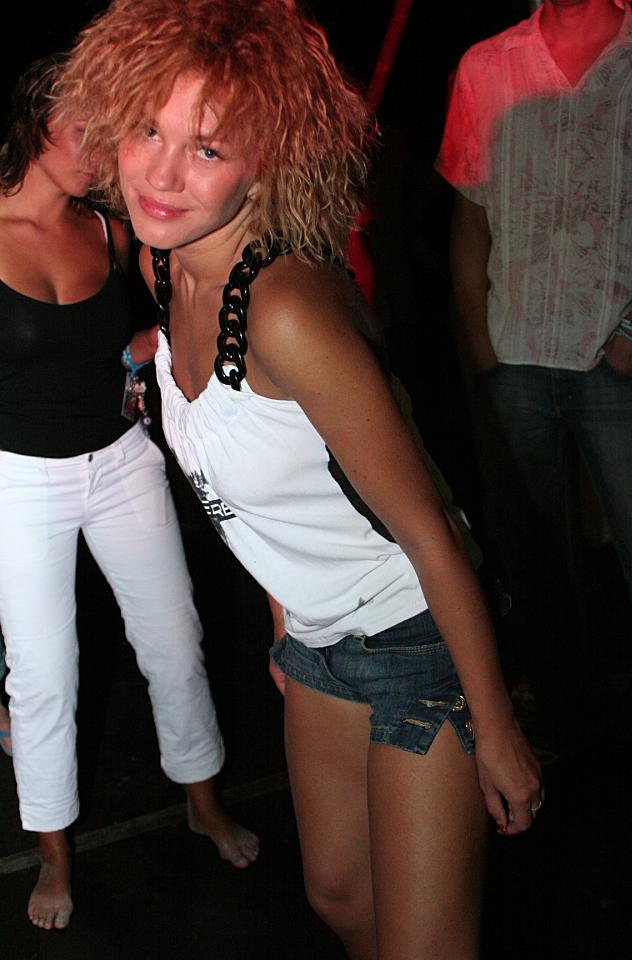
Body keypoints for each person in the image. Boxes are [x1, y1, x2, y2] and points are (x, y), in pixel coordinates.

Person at [62, 3, 542, 957]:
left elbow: (432, 533)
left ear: (268, 161)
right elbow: (258, 486)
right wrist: (286, 619)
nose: (161, 173)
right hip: (316, 640)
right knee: (339, 901)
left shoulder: (285, 312)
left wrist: (498, 731)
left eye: (207, 149)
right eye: (149, 130)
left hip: (416, 640)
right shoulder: (164, 265)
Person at [0, 54, 259, 933]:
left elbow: (176, 307)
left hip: (121, 462)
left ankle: (203, 802)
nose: (99, 148)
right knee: (45, 676)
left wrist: (147, 346)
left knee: (175, 640)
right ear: (35, 122)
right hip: (20, 481)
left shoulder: (113, 229)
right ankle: (54, 855)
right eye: (83, 128)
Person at [436, 0, 632, 733]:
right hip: (514, 355)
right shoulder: (486, 66)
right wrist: (479, 342)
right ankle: (562, 719)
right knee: (534, 558)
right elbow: (469, 215)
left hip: (620, 357)